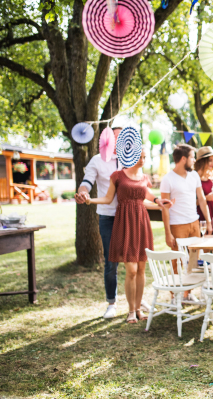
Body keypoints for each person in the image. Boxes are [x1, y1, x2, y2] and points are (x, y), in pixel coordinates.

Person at [85, 148, 172, 323]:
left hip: (141, 222)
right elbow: (108, 198)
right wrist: (90, 200)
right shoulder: (117, 176)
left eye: (145, 157)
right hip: (124, 222)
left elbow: (147, 195)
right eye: (140, 157)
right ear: (130, 156)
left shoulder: (144, 177)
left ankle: (139, 309)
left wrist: (158, 201)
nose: (142, 160)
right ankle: (131, 310)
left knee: (141, 269)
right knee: (131, 270)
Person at [75, 126, 125, 319]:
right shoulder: (97, 160)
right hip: (108, 216)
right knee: (111, 263)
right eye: (115, 138)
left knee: (133, 261)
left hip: (129, 216)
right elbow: (87, 181)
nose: (118, 142)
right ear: (107, 140)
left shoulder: (131, 159)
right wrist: (83, 192)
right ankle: (111, 303)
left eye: (122, 139)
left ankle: (135, 303)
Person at [161, 144, 213, 303]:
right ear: (183, 159)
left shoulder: (194, 176)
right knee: (177, 261)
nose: (193, 160)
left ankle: (187, 294)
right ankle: (174, 295)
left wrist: (209, 222)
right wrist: (167, 232)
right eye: (191, 157)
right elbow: (164, 207)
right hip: (177, 225)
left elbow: (202, 200)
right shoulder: (167, 179)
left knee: (193, 262)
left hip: (194, 223)